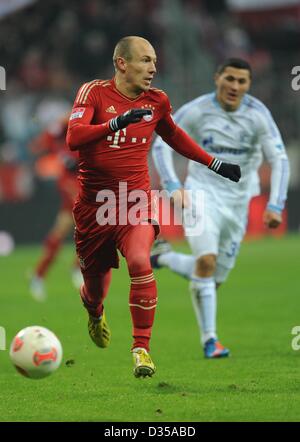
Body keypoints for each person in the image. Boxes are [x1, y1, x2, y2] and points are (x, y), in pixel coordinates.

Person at [66, 36, 241, 378]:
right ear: (122, 63)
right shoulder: (94, 93)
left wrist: (214, 163)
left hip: (135, 203)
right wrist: (116, 123)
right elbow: (74, 137)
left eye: (154, 61)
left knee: (139, 260)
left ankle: (141, 349)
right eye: (145, 60)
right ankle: (94, 311)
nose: (153, 68)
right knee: (94, 289)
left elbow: (174, 135)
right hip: (95, 209)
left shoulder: (156, 100)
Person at [151, 58, 290, 358]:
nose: (234, 86)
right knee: (207, 262)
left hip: (238, 203)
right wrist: (173, 186)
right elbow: (161, 143)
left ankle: (165, 258)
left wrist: (275, 203)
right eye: (229, 79)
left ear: (249, 85)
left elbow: (279, 159)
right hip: (201, 194)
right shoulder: (197, 110)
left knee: (212, 278)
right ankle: (210, 340)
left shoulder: (258, 116)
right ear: (217, 78)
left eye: (242, 81)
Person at [29, 116, 82, 301]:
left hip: (83, 183)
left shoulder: (94, 127)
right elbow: (50, 134)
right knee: (87, 230)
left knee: (63, 234)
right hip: (72, 184)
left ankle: (41, 275)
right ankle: (39, 276)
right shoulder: (67, 124)